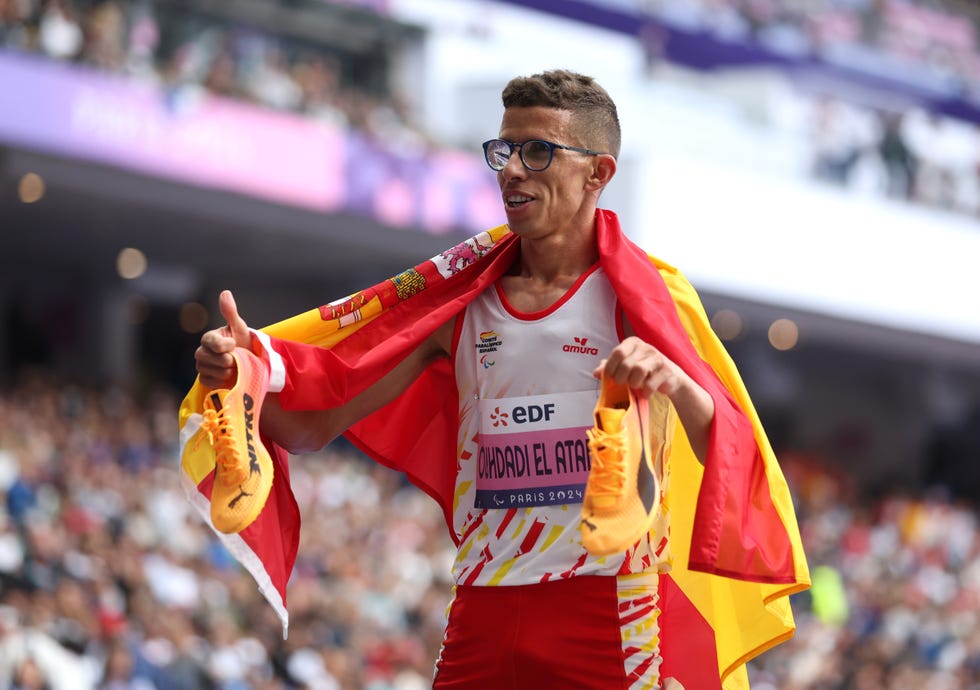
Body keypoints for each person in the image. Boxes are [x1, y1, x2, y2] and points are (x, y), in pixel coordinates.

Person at [187, 69, 809, 690]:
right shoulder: (460, 304)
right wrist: (243, 375)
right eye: (503, 150)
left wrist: (674, 382)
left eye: (538, 151)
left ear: (599, 174)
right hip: (482, 604)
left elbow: (728, 448)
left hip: (605, 611)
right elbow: (317, 424)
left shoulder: (647, 300)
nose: (512, 169)